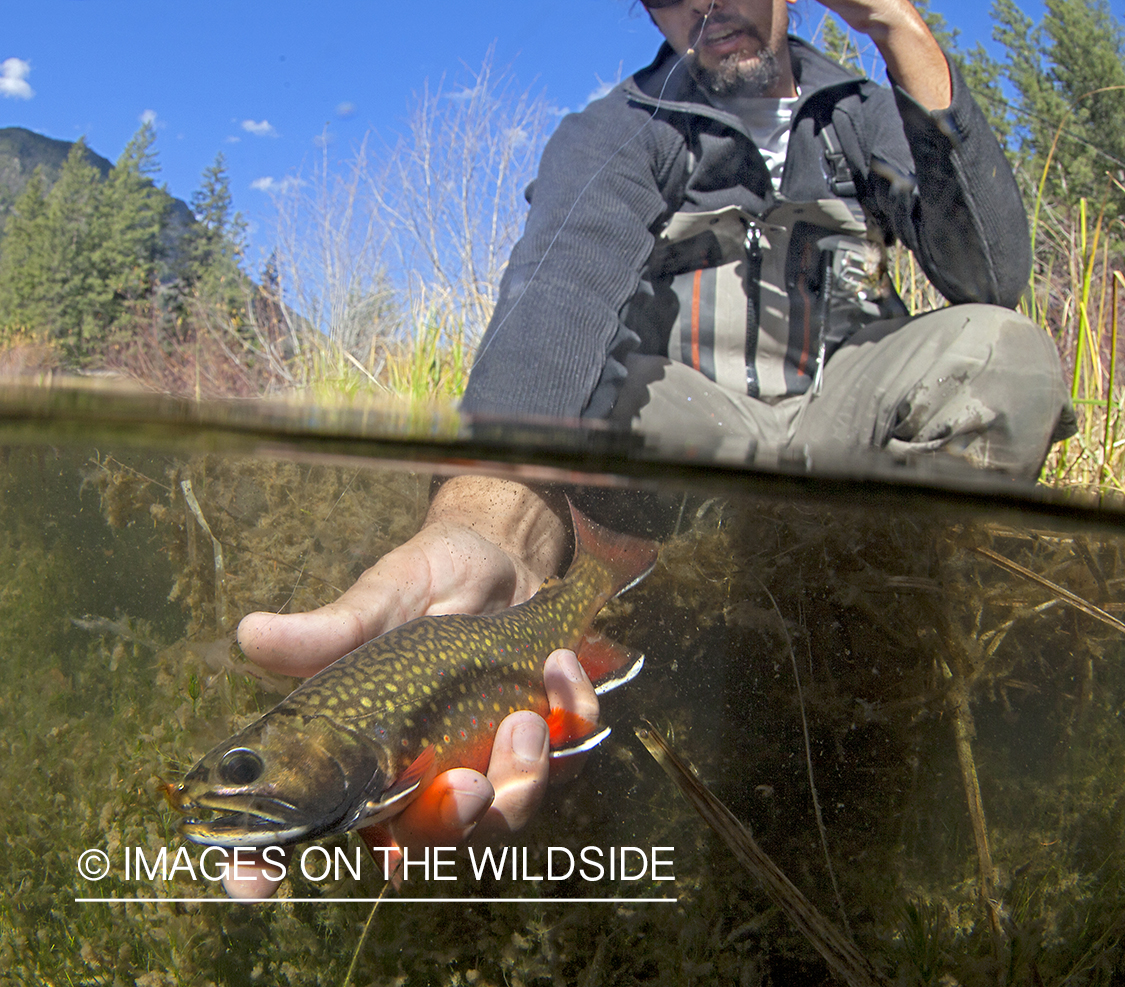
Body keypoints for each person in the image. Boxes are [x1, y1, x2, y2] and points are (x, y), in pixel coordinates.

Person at [228, 0, 1072, 896]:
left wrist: (899, 29)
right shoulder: (620, 128)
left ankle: (887, 649)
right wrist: (489, 515)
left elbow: (988, 274)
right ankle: (645, 646)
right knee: (600, 396)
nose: (705, 5)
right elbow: (561, 289)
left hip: (849, 400)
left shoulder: (861, 106)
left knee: (1008, 355)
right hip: (695, 427)